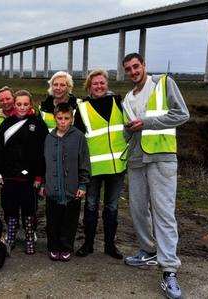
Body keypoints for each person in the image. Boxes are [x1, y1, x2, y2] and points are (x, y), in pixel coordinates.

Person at [121, 53, 189, 299]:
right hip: (137, 160)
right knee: (138, 210)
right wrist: (128, 131)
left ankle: (169, 269)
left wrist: (146, 123)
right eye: (128, 69)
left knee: (163, 213)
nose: (132, 72)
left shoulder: (163, 83)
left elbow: (182, 115)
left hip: (161, 158)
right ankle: (148, 250)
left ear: (144, 66)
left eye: (136, 66)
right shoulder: (127, 98)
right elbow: (130, 131)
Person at [73, 69, 127, 259]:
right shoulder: (82, 108)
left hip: (117, 167)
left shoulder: (119, 103)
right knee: (91, 206)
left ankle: (110, 246)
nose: (99, 86)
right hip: (93, 168)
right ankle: (88, 244)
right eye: (95, 83)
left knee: (112, 208)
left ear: (107, 84)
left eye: (102, 82)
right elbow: (78, 140)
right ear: (89, 86)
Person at [0, 90, 48, 255]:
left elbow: (42, 153)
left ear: (30, 104)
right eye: (19, 104)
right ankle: (11, 236)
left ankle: (30, 237)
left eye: (25, 104)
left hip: (30, 177)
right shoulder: (7, 123)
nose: (22, 107)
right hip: (9, 175)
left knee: (29, 208)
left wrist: (39, 176)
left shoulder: (38, 124)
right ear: (14, 105)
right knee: (9, 206)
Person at [42, 103, 90, 262]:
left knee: (69, 221)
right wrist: (43, 184)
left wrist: (83, 184)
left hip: (72, 189)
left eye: (66, 118)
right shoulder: (49, 138)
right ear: (55, 118)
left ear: (72, 119)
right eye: (59, 118)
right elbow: (44, 163)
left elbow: (84, 162)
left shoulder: (79, 137)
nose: (63, 121)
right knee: (52, 220)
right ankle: (53, 246)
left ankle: (66, 246)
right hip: (52, 189)